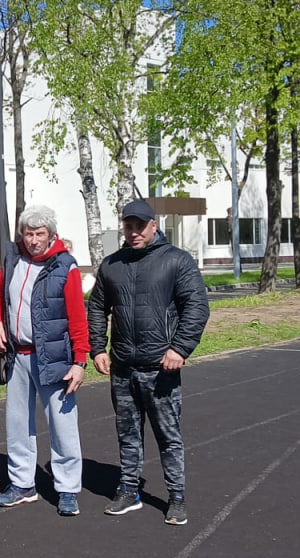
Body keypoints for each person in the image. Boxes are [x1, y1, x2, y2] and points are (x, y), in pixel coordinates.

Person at [88, 200, 209, 525]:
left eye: (140, 226)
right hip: (122, 368)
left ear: (154, 226)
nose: (134, 232)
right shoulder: (111, 265)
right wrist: (98, 348)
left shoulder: (176, 260)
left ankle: (177, 497)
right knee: (127, 434)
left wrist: (179, 349)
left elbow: (197, 306)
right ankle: (129, 490)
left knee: (168, 437)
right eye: (128, 226)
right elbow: (97, 307)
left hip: (160, 370)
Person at [0, 205, 90, 517]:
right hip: (17, 355)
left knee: (62, 426)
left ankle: (68, 488)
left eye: (39, 234)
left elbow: (77, 316)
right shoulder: (13, 259)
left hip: (55, 358)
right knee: (17, 425)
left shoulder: (65, 266)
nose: (33, 240)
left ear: (51, 235)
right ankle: (22, 484)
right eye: (28, 234)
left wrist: (80, 361)